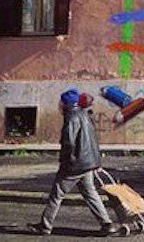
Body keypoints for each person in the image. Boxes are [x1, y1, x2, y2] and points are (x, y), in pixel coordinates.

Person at [29, 89, 119, 236]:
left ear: (66, 104)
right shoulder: (85, 114)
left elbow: (69, 143)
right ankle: (107, 224)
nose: (60, 106)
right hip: (88, 164)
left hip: (74, 164)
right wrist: (96, 163)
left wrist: (64, 162)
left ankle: (45, 226)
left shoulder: (71, 117)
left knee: (56, 195)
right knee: (91, 194)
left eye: (61, 103)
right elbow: (94, 141)